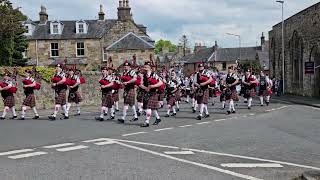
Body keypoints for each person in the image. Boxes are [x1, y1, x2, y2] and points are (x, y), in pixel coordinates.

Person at [140, 62, 163, 127]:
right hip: (147, 92)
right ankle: (158, 118)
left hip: (153, 92)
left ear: (150, 68)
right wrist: (145, 88)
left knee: (148, 107)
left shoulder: (154, 74)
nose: (144, 68)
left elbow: (161, 83)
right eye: (144, 67)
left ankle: (146, 121)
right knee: (152, 108)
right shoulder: (143, 75)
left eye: (146, 67)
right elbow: (140, 84)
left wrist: (152, 86)